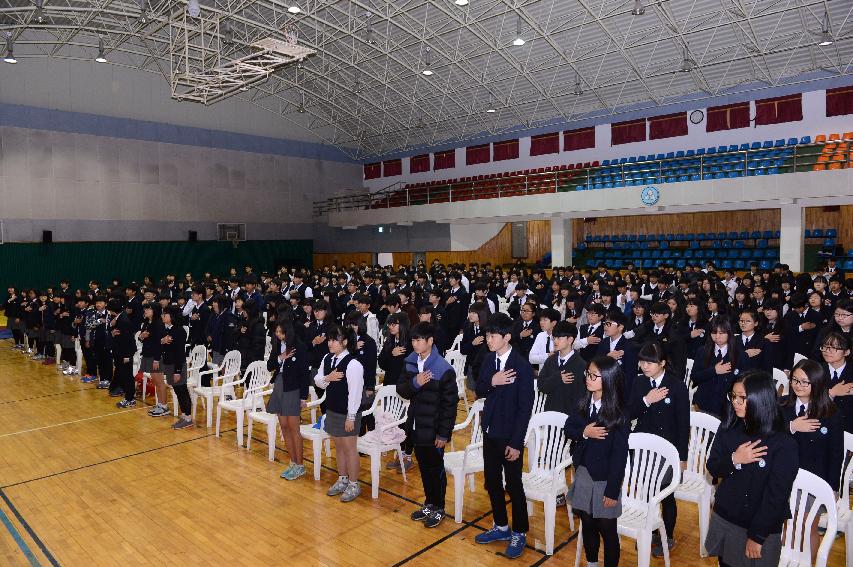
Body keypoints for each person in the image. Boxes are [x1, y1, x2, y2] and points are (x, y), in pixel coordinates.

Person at [705, 371, 799, 567]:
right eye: (733, 396)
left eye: (743, 398)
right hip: (728, 514)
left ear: (761, 400)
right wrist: (735, 459)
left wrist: (757, 536)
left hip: (760, 524)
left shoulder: (783, 443)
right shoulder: (729, 427)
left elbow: (776, 496)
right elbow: (713, 466)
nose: (736, 402)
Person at [473, 312, 534, 559]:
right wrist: (492, 381)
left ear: (507, 337)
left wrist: (517, 442)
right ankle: (501, 526)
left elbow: (524, 408)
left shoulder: (522, 366)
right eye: (487, 335)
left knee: (514, 485)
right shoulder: (488, 360)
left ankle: (519, 531)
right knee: (492, 482)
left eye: (493, 336)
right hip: (490, 431)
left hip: (510, 436)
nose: (488, 340)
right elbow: (478, 389)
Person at [563, 356, 629, 567]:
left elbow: (620, 456)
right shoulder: (583, 401)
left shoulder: (618, 412)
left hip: (605, 480)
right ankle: (592, 563)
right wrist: (584, 431)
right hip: (583, 472)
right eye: (587, 374)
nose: (588, 379)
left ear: (608, 380)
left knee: (608, 531)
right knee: (588, 524)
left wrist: (612, 490)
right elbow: (568, 428)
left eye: (593, 376)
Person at [629, 342, 689, 557]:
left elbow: (683, 424)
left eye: (650, 362)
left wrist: (682, 457)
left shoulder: (677, 386)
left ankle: (668, 535)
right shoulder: (638, 382)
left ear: (662, 363)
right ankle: (650, 529)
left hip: (668, 450)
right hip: (644, 449)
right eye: (642, 361)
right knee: (645, 492)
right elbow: (629, 413)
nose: (644, 366)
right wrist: (647, 400)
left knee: (666, 495)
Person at [781, 358, 844, 564]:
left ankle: (806, 562)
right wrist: (791, 426)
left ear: (816, 383)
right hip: (784, 476)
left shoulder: (830, 413)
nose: (798, 386)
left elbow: (836, 454)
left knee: (807, 527)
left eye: (804, 382)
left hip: (815, 481)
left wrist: (833, 487)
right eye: (795, 380)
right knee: (785, 525)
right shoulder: (782, 405)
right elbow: (768, 436)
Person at [396, 321, 458, 528]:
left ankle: (439, 507)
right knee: (423, 468)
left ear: (430, 341)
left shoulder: (443, 369)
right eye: (413, 340)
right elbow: (401, 389)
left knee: (436, 470)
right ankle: (429, 503)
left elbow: (450, 406)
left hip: (434, 430)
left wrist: (443, 434)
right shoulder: (410, 362)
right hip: (415, 426)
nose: (415, 344)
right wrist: (416, 383)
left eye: (419, 340)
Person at [314, 324, 365, 503]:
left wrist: (351, 417)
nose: (330, 343)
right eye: (329, 339)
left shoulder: (353, 364)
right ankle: (342, 479)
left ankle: (353, 483)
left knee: (350, 449)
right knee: (339, 447)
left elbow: (356, 393)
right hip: (333, 410)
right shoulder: (327, 359)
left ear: (344, 342)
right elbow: (318, 381)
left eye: (334, 340)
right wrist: (328, 378)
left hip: (348, 413)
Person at [266, 321, 310, 481]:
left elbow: (305, 373)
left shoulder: (299, 346)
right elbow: (269, 365)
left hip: (293, 388)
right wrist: (280, 357)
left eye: (280, 332)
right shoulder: (278, 345)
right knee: (284, 427)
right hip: (279, 384)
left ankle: (300, 464)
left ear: (288, 332)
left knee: (293, 428)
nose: (278, 335)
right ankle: (293, 462)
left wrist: (303, 396)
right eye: (276, 332)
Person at [691, 319, 741, 417]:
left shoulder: (739, 355)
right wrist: (714, 371)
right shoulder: (702, 351)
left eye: (721, 333)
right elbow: (695, 377)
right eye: (714, 332)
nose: (717, 336)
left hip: (728, 407)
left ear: (729, 333)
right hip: (704, 403)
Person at [537, 321, 587, 415]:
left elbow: (581, 397)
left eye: (559, 338)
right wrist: (558, 377)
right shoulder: (551, 360)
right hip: (550, 414)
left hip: (569, 417)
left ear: (570, 340)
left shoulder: (581, 365)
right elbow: (541, 386)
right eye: (554, 337)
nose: (555, 341)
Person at [161, 306, 193, 429]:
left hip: (177, 365)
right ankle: (184, 415)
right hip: (169, 364)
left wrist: (178, 371)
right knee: (177, 391)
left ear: (172, 316)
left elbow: (179, 352)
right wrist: (162, 341)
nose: (163, 316)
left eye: (166, 314)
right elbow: (164, 347)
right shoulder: (167, 329)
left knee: (182, 390)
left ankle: (188, 417)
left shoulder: (179, 331)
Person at [820, 331, 853, 432]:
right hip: (821, 424)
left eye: (833, 348)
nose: (827, 351)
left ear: (846, 352)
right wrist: (832, 393)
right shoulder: (815, 371)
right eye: (824, 347)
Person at [140, 303, 169, 417]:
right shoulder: (147, 322)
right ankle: (160, 404)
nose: (145, 310)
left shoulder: (158, 324)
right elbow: (142, 337)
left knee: (160, 382)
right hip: (147, 354)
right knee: (156, 382)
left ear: (155, 310)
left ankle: (165, 406)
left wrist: (157, 359)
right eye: (145, 309)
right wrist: (142, 336)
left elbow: (159, 344)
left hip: (156, 356)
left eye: (148, 309)